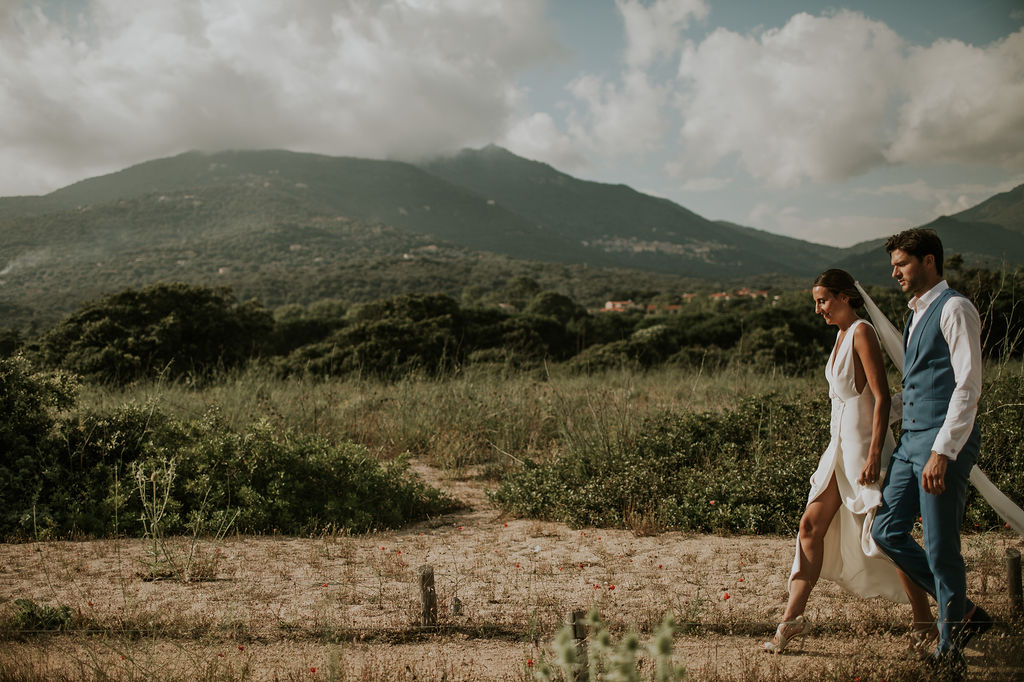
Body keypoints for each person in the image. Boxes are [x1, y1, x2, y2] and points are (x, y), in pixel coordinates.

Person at [763, 268, 934, 654]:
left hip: (865, 453)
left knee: (887, 540)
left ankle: (926, 623)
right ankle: (791, 622)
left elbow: (883, 396)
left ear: (844, 296)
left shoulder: (861, 332)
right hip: (838, 451)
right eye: (816, 302)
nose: (819, 309)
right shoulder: (840, 335)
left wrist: (875, 455)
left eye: (823, 300)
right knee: (809, 526)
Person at [870, 228, 992, 676]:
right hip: (910, 444)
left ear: (929, 261)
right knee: (885, 531)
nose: (895, 273)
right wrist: (874, 410)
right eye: (893, 267)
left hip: (942, 443)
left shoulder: (956, 308)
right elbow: (920, 385)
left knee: (941, 549)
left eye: (902, 264)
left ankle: (949, 647)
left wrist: (944, 450)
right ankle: (962, 612)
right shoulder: (914, 314)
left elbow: (968, 385)